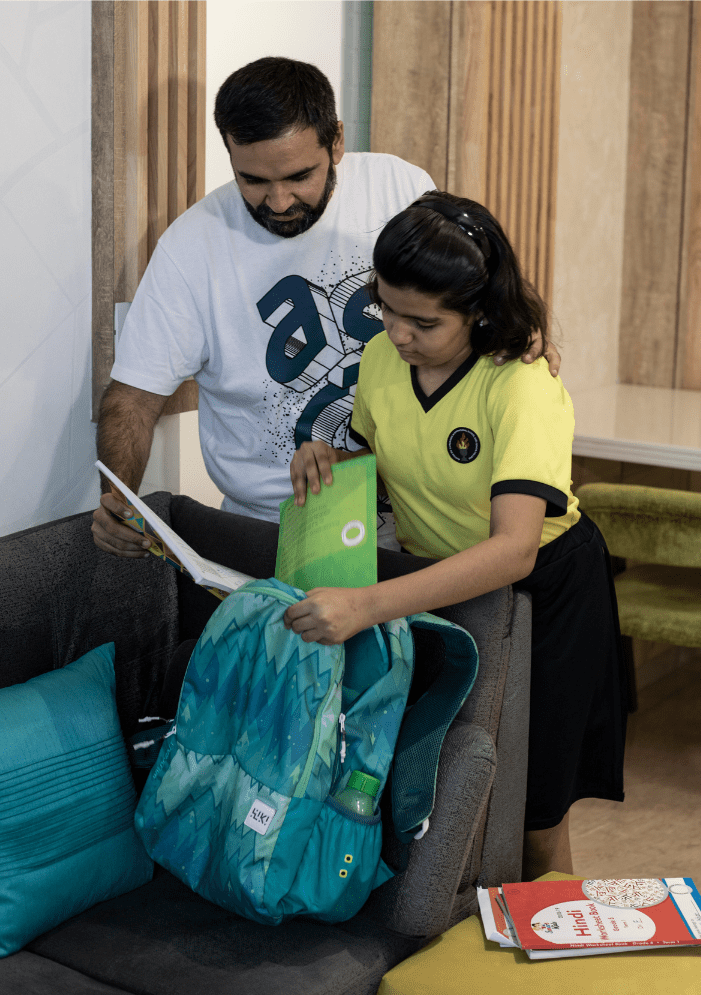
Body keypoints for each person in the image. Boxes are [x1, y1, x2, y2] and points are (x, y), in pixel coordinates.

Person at [284, 191, 627, 880]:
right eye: (387, 308)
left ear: (480, 310)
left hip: (544, 593)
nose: (398, 334)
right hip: (440, 582)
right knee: (446, 786)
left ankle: (551, 944)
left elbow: (514, 547)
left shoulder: (521, 385)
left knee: (534, 808)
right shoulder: (384, 359)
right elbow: (405, 464)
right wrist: (334, 463)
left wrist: (370, 604)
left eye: (424, 322)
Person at [92, 56, 559, 559]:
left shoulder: (396, 186)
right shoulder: (191, 248)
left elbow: (472, 268)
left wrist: (522, 323)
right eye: (252, 180)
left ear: (336, 140)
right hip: (277, 530)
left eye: (298, 176)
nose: (277, 201)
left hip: (422, 524)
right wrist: (120, 500)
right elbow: (133, 399)